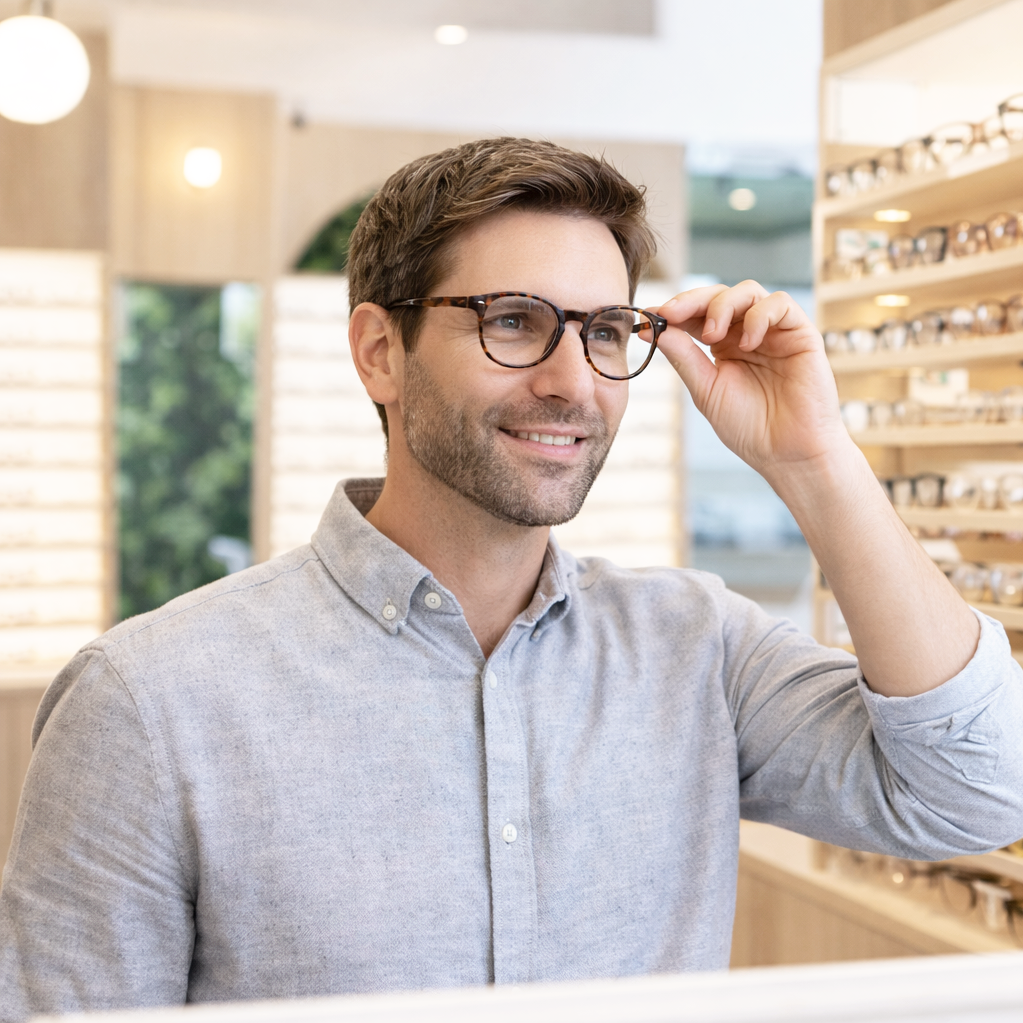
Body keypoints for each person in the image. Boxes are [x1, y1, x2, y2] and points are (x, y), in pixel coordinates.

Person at [1, 137, 1022, 1020]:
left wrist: (817, 461)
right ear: (378, 353)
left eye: (607, 331)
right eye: (515, 321)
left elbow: (980, 791)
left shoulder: (694, 645)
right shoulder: (149, 701)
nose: (573, 383)